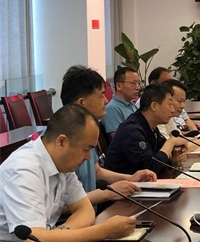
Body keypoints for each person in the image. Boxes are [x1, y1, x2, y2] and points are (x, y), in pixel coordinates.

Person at [0, 105, 137, 242]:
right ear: (61, 142)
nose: (88, 158)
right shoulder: (23, 170)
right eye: (86, 149)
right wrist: (104, 231)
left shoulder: (62, 163)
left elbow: (85, 210)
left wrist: (57, 235)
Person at [61, 65, 157, 207]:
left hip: (90, 212)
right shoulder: (65, 139)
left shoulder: (85, 131)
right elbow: (59, 206)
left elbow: (96, 171)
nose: (106, 100)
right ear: (82, 102)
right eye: (101, 95)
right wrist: (108, 193)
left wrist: (131, 178)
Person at [104, 84, 189, 175]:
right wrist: (171, 142)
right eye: (169, 104)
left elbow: (160, 151)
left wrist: (175, 156)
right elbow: (151, 167)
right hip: (123, 182)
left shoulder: (150, 126)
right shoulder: (131, 130)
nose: (172, 110)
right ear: (154, 106)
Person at [158, 79, 200, 146]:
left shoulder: (169, 117)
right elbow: (172, 148)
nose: (183, 106)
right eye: (180, 101)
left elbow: (179, 139)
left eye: (184, 101)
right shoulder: (158, 119)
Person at [144, 67, 200, 133]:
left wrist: (197, 135)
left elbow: (176, 135)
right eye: (180, 101)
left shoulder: (168, 115)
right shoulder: (156, 115)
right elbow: (167, 139)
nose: (172, 110)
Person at [102, 66, 141, 138]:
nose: (138, 87)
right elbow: (119, 139)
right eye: (133, 83)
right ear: (119, 86)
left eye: (139, 83)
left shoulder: (132, 105)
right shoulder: (112, 109)